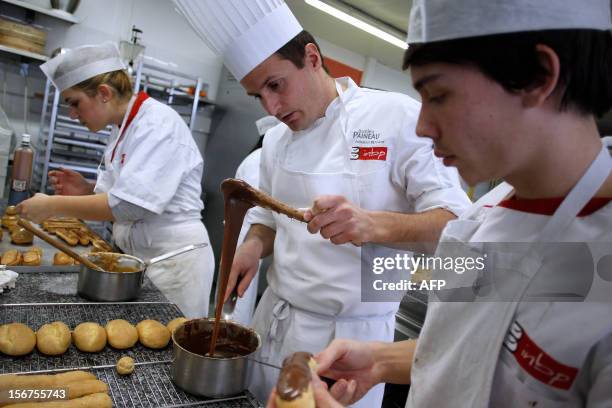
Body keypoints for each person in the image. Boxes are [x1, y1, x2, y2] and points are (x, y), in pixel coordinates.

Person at [300, 0, 612, 407]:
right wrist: (380, 360)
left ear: (539, 76)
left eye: (439, 95)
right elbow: (480, 339)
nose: (422, 127)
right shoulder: (482, 218)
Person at [175, 1, 471, 406]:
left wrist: (375, 225)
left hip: (348, 348)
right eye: (257, 94)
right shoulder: (276, 141)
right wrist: (253, 246)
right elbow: (268, 214)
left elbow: (457, 226)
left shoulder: (395, 118)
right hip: (274, 324)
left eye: (275, 85)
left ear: (312, 58)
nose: (271, 109)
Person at [17, 43, 214, 318]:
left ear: (104, 93)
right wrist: (84, 191)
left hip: (176, 263)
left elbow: (128, 206)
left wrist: (53, 206)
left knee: (168, 350)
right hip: (141, 259)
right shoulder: (122, 129)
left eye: (75, 103)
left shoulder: (157, 125)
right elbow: (121, 197)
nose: (72, 114)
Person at [226, 115, 280, 326]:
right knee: (240, 295)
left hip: (248, 232)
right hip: (248, 233)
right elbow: (263, 212)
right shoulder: (261, 159)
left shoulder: (254, 157)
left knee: (237, 291)